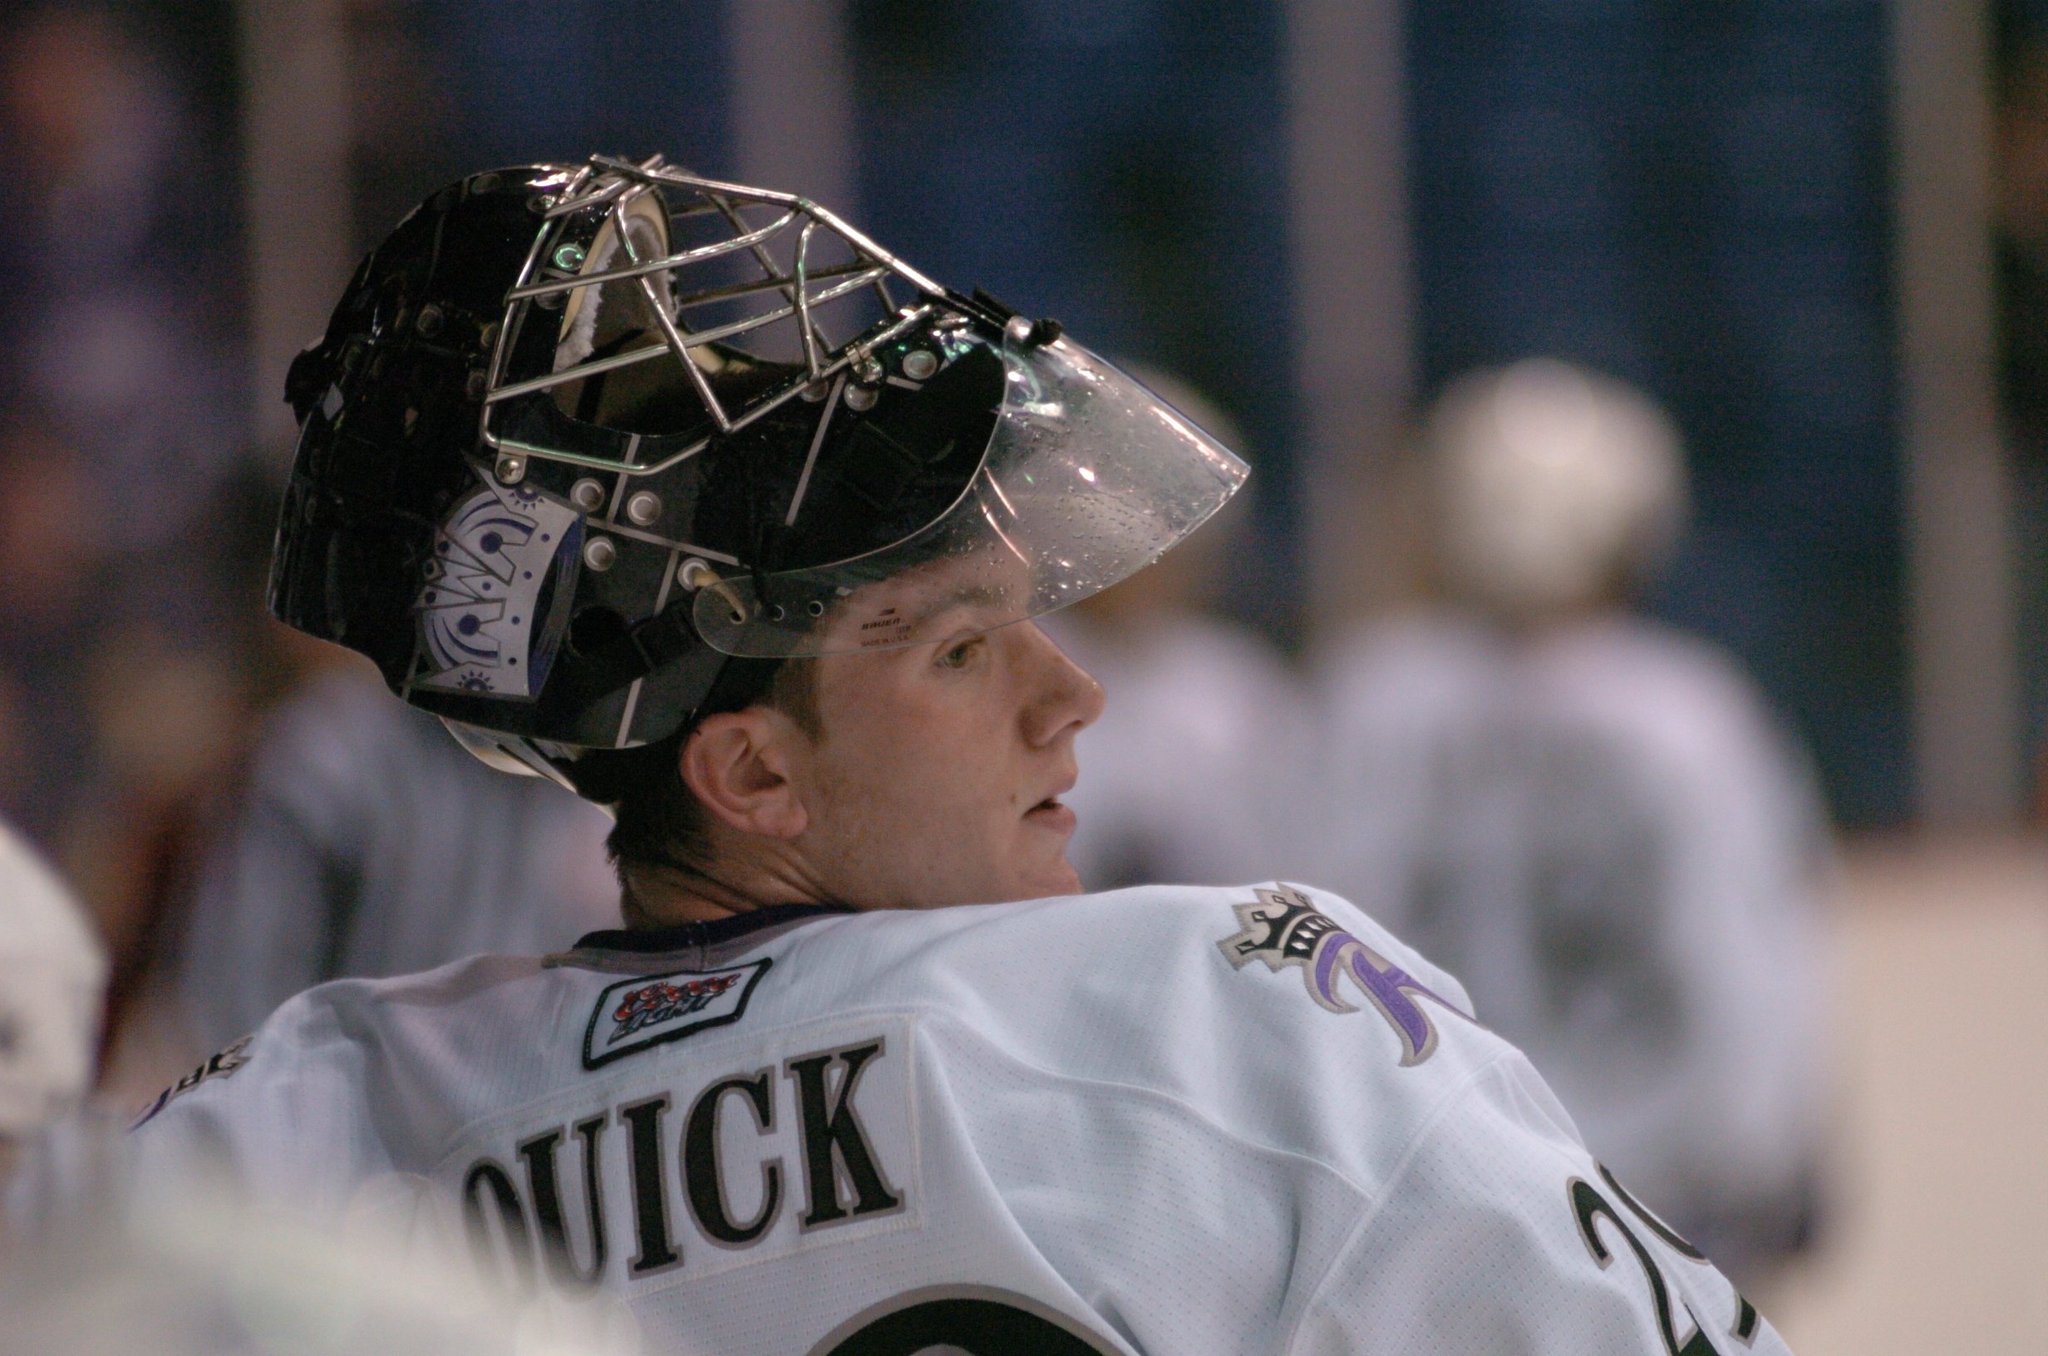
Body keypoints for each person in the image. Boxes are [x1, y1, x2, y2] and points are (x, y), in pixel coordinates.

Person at [128, 157, 1791, 1353]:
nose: (1068, 695)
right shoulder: (1227, 1022)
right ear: (752, 775)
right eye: (957, 644)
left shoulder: (280, 1145)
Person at [1309, 358, 1832, 1293]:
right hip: (1659, 1195)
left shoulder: (1372, 697)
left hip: (1424, 1192)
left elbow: (1307, 939)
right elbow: (1748, 949)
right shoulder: (1687, 710)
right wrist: (1778, 1150)